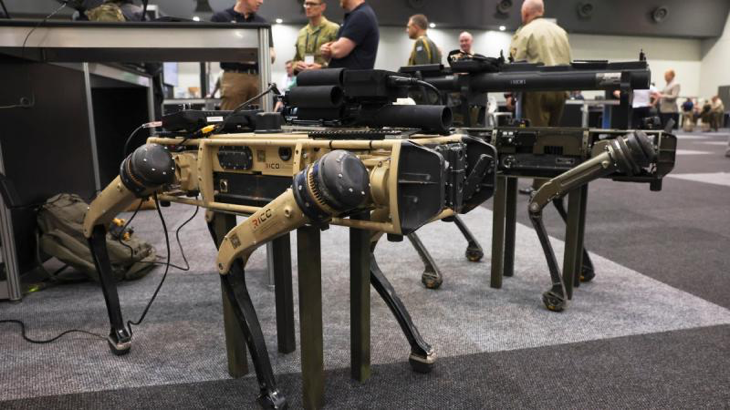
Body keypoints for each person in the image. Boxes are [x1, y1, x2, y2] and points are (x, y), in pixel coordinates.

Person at [509, 0, 571, 194]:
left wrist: (510, 95)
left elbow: (515, 63)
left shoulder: (526, 32)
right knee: (553, 136)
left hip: (537, 91)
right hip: (561, 89)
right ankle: (553, 180)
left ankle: (541, 187)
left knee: (540, 138)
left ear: (526, 12)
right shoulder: (560, 31)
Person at [211, 0, 276, 110]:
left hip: (258, 78)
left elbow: (272, 54)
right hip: (234, 77)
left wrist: (260, 54)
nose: (261, 1)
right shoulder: (221, 18)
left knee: (259, 120)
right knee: (230, 120)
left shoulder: (261, 22)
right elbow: (212, 48)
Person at [321, 0, 379, 70]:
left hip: (353, 78)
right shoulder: (357, 15)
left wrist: (328, 48)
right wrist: (331, 48)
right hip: (349, 77)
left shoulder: (361, 15)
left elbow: (339, 50)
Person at [292, 0, 340, 73]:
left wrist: (322, 67)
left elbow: (341, 59)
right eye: (306, 4)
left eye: (312, 4)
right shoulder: (302, 32)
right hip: (305, 79)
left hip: (326, 79)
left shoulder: (334, 29)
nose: (308, 7)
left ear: (322, 7)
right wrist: (296, 66)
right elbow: (295, 60)